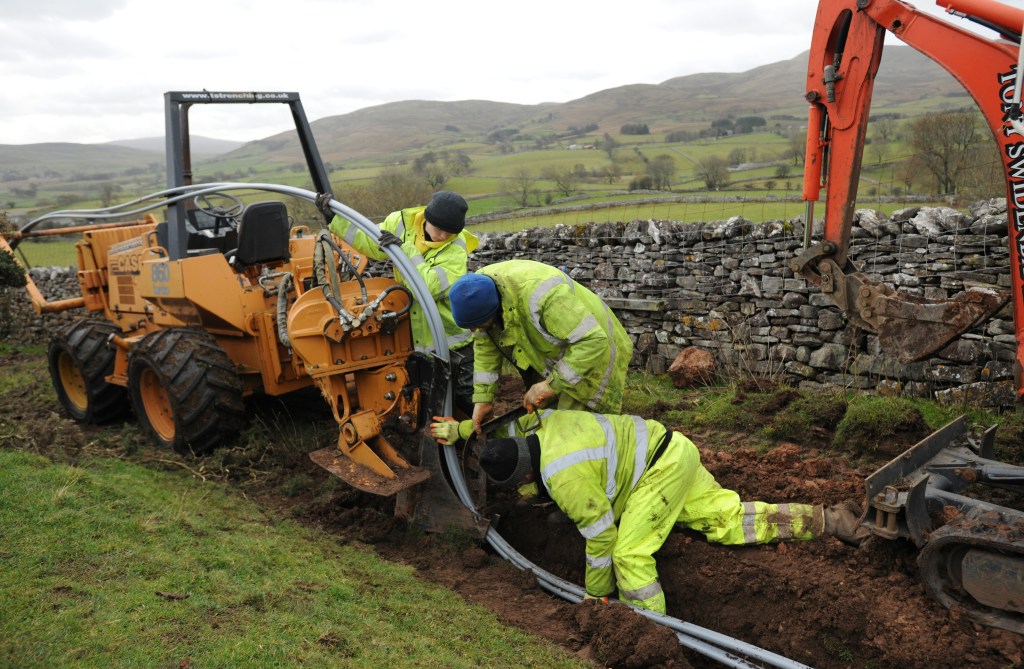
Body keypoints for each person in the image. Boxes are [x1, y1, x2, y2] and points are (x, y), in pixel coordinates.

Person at [430, 409, 868, 615]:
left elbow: (600, 540)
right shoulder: (539, 423)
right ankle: (834, 521)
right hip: (674, 449)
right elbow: (503, 426)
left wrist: (595, 597)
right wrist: (463, 429)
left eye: (522, 486)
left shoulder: (565, 479)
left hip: (656, 473)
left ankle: (647, 628)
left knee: (629, 555)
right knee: (728, 520)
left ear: (526, 475)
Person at [316, 190, 478, 414]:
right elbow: (370, 242)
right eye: (439, 229)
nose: (442, 236)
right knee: (432, 402)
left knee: (466, 399)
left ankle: (482, 436)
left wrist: (404, 251)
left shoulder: (455, 248)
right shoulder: (400, 224)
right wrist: (334, 218)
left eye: (449, 232)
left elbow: (429, 287)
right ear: (426, 218)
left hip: (453, 342)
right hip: (418, 342)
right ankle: (450, 442)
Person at [446, 260, 634, 433]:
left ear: (493, 309)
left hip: (597, 349)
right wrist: (483, 399)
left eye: (477, 324)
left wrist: (551, 385)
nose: (473, 330)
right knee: (548, 427)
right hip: (562, 354)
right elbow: (485, 348)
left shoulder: (543, 295)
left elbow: (593, 341)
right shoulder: (475, 292)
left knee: (576, 434)